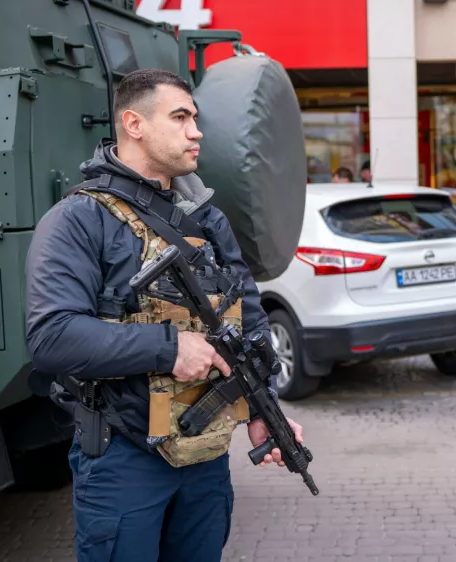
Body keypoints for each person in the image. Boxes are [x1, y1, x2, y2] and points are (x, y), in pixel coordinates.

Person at [24, 68, 303, 561]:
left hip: (204, 458)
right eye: (180, 117)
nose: (196, 131)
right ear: (134, 124)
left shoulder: (207, 217)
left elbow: (249, 316)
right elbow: (52, 337)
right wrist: (170, 348)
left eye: (194, 118)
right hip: (123, 457)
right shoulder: (78, 219)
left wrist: (265, 410)